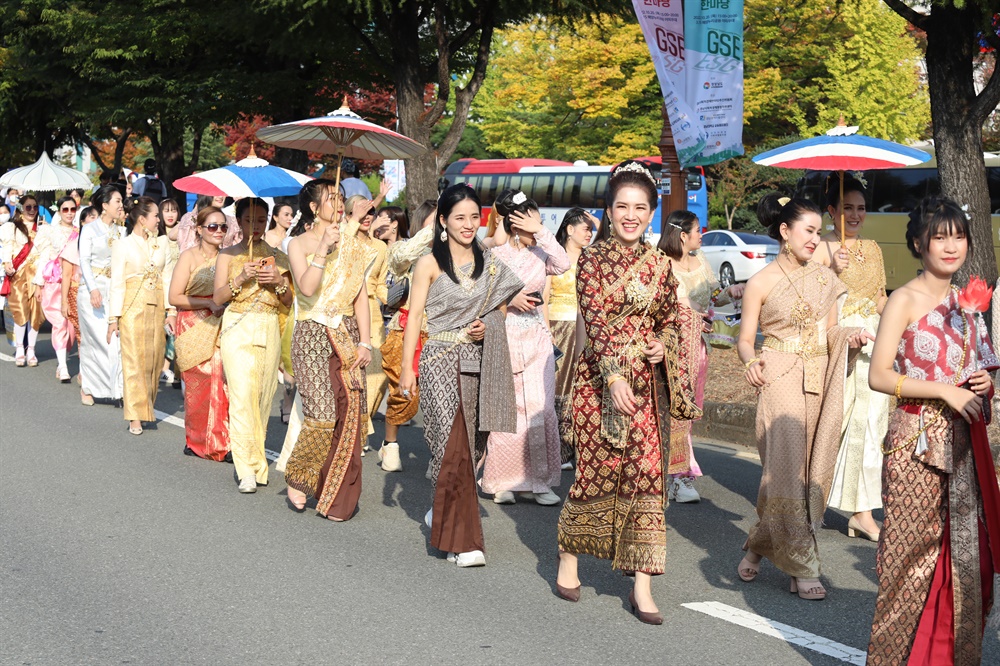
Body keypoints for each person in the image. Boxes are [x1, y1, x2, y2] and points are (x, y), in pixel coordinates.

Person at [555, 161, 700, 624]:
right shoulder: (592, 261)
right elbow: (595, 322)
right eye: (622, 207)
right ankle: (570, 556)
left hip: (646, 386)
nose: (631, 215)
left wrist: (665, 342)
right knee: (595, 474)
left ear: (653, 213)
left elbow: (673, 316)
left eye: (640, 207)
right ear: (609, 210)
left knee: (646, 479)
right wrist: (614, 376)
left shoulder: (660, 264)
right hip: (598, 384)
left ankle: (642, 583)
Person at [866, 198, 999, 664]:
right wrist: (944, 391)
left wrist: (985, 382)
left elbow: (979, 371)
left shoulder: (968, 303)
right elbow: (879, 376)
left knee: (971, 563)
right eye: (940, 236)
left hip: (963, 448)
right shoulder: (903, 299)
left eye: (958, 236)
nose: (951, 246)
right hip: (914, 444)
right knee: (908, 565)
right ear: (919, 242)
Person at [735, 194, 870, 601]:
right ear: (785, 231)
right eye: (808, 232)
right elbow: (745, 341)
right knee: (788, 466)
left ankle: (760, 544)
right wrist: (750, 363)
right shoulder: (760, 281)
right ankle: (803, 565)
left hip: (819, 376)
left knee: (810, 470)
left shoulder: (827, 279)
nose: (815, 240)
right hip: (778, 374)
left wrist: (851, 336)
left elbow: (830, 333)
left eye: (817, 231)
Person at [399, 184, 524, 567]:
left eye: (474, 217)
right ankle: (461, 540)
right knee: (452, 447)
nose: (468, 225)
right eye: (459, 218)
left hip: (476, 362)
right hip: (438, 359)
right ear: (443, 221)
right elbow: (415, 317)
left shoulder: (490, 263)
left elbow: (501, 308)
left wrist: (487, 326)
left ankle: (442, 515)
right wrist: (407, 368)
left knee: (470, 448)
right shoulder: (429, 263)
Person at [281, 180, 377, 520]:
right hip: (311, 333)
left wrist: (365, 341)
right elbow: (306, 287)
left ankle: (338, 494)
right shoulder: (298, 243)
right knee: (321, 413)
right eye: (331, 199)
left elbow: (360, 296)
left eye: (340, 198)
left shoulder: (352, 245)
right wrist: (322, 247)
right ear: (313, 207)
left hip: (348, 333)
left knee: (350, 413)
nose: (338, 203)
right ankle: (300, 474)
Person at [480, 189, 570, 505]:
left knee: (540, 406)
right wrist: (508, 298)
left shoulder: (542, 253)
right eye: (527, 215)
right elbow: (479, 294)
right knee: (509, 409)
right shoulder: (496, 254)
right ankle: (501, 480)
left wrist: (541, 231)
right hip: (504, 335)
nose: (534, 220)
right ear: (513, 220)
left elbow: (563, 263)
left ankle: (541, 481)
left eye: (536, 215)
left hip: (536, 337)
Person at [814, 174, 890, 542]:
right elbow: (807, 297)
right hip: (838, 338)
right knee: (832, 422)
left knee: (872, 422)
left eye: (861, 208)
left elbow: (879, 298)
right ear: (832, 211)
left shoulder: (873, 248)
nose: (856, 215)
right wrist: (831, 269)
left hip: (874, 339)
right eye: (847, 208)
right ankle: (809, 498)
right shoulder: (820, 247)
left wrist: (899, 328)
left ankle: (862, 511)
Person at [657, 210, 745, 504]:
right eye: (697, 231)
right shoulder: (661, 265)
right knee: (675, 407)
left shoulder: (701, 260)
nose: (700, 236)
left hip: (700, 346)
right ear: (683, 235)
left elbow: (713, 295)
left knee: (690, 407)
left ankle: (676, 473)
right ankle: (678, 476)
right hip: (673, 348)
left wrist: (729, 292)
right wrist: (686, 310)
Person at [214, 198, 292, 492]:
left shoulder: (278, 257)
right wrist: (241, 278)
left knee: (262, 397)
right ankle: (245, 468)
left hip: (269, 326)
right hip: (237, 326)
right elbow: (218, 298)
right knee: (242, 395)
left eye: (261, 220)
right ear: (239, 221)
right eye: (249, 220)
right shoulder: (227, 255)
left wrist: (277, 281)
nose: (255, 227)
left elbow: (288, 301)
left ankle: (258, 462)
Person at [375, 199, 436, 472]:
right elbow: (400, 258)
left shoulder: (453, 255)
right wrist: (432, 230)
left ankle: (438, 453)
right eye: (436, 219)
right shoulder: (404, 250)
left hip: (440, 333)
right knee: (403, 391)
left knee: (437, 396)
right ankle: (391, 445)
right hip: (405, 330)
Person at [169, 206, 231, 461]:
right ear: (199, 229)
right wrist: (207, 303)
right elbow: (174, 296)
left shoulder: (228, 257)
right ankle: (195, 440)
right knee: (198, 385)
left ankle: (222, 443)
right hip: (193, 323)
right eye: (213, 226)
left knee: (221, 382)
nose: (218, 231)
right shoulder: (189, 257)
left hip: (221, 323)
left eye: (223, 227)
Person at [108, 197, 173, 435]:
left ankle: (146, 407)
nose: (159, 220)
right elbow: (116, 283)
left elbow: (167, 277)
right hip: (131, 306)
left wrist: (171, 310)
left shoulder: (162, 244)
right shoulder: (122, 245)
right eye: (155, 215)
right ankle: (135, 414)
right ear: (142, 219)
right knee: (134, 360)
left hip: (156, 306)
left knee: (155, 359)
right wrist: (113, 318)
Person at [546, 208, 595, 467]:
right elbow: (544, 298)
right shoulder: (554, 258)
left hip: (586, 328)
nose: (590, 233)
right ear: (569, 229)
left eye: (591, 229)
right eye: (585, 228)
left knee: (583, 386)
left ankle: (582, 447)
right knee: (559, 386)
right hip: (558, 326)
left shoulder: (593, 258)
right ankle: (560, 447)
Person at [344, 195, 389, 453]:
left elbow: (380, 283)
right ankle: (353, 433)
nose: (367, 216)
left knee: (377, 376)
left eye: (371, 211)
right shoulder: (343, 239)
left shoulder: (381, 247)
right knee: (351, 373)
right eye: (361, 212)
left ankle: (361, 425)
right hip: (345, 309)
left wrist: (393, 298)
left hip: (372, 312)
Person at [78, 186, 125, 406]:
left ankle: (116, 388)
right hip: (92, 290)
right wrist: (92, 289)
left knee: (114, 341)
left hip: (113, 290)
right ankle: (88, 386)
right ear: (104, 205)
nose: (121, 205)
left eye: (121, 201)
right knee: (94, 340)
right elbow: (84, 260)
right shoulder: (89, 230)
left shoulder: (122, 231)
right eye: (117, 201)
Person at [31, 195, 79, 381]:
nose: (69, 213)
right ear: (59, 211)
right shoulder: (49, 231)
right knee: (59, 323)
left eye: (72, 209)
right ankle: (63, 365)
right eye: (65, 209)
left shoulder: (80, 231)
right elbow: (43, 258)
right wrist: (38, 284)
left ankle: (63, 357)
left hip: (74, 282)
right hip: (54, 283)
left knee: (72, 327)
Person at [1, 194, 45, 366]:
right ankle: (20, 347)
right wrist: (7, 263)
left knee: (36, 311)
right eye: (28, 207)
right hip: (19, 274)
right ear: (21, 209)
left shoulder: (42, 229)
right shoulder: (12, 228)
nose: (32, 210)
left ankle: (31, 349)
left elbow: (46, 253)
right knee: (19, 310)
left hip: (37, 274)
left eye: (35, 207)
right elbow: (8, 248)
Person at [263, 202, 297, 424]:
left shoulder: (294, 239)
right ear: (275, 217)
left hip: (288, 297)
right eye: (286, 214)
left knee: (288, 355)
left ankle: (288, 401)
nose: (290, 218)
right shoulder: (264, 239)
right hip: (268, 299)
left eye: (292, 214)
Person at [60, 206, 98, 383]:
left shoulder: (105, 243)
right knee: (82, 334)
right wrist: (64, 302)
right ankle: (84, 370)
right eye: (90, 217)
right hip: (78, 292)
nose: (94, 220)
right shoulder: (73, 245)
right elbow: (66, 275)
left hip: (100, 292)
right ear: (82, 222)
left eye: (96, 216)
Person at [158, 198, 183, 385]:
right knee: (161, 331)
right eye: (166, 210)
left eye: (173, 210)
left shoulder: (183, 233)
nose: (170, 214)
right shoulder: (155, 236)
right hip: (160, 289)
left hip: (179, 288)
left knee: (175, 330)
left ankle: (169, 366)